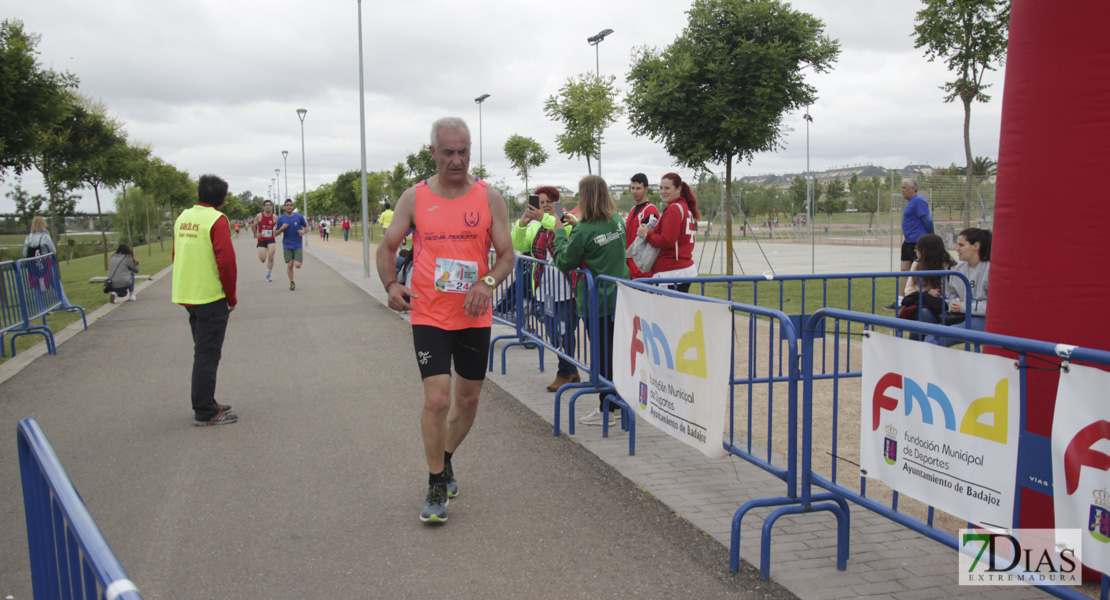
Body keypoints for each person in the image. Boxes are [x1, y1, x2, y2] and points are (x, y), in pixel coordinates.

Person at [374, 117, 514, 524]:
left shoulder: (490, 198)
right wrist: (390, 284)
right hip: (430, 313)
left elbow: (506, 255)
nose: (456, 160)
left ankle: (447, 458)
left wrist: (487, 283)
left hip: (473, 316)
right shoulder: (414, 197)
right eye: (448, 152)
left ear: (471, 151)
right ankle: (436, 483)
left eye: (463, 151)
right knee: (437, 398)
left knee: (468, 400)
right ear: (433, 152)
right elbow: (387, 247)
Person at [552, 175, 630, 426]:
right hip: (620, 297)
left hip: (597, 302)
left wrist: (560, 234)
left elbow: (565, 261)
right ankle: (616, 403)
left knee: (602, 356)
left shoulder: (584, 230)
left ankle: (608, 408)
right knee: (615, 354)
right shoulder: (617, 220)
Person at [172, 174, 238, 426]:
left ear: (199, 194)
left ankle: (208, 401)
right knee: (207, 355)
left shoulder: (183, 217)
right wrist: (230, 296)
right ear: (222, 199)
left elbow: (176, 254)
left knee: (203, 352)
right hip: (210, 296)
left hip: (189, 295)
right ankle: (204, 410)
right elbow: (226, 263)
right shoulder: (217, 220)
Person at [521, 186, 579, 392]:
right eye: (540, 202)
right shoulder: (538, 227)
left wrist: (542, 218)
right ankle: (572, 369)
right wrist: (521, 225)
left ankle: (564, 372)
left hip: (566, 289)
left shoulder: (567, 221)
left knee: (564, 332)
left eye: (548, 202)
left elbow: (562, 231)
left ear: (556, 203)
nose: (544, 206)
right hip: (544, 289)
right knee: (555, 333)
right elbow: (520, 244)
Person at [636, 172, 700, 293]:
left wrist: (646, 234)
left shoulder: (674, 209)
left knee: (667, 310)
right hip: (683, 269)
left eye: (667, 188)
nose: (663, 191)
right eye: (661, 188)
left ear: (678, 189)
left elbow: (667, 241)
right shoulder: (684, 207)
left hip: (672, 272)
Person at [925, 228, 990, 331]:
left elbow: (994, 307)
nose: (957, 248)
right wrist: (954, 304)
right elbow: (952, 295)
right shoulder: (958, 269)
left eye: (962, 245)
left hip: (982, 319)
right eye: (957, 244)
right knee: (933, 333)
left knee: (942, 336)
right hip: (960, 316)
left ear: (976, 246)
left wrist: (963, 307)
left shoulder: (990, 270)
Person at [885, 178, 934, 309]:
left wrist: (931, 236)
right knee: (904, 270)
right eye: (902, 188)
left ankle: (918, 298)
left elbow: (927, 220)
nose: (902, 191)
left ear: (913, 188)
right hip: (908, 242)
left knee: (917, 271)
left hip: (917, 242)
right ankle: (900, 301)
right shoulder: (911, 202)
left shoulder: (919, 201)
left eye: (905, 188)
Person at [896, 233, 954, 337]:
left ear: (926, 250)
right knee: (923, 314)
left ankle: (917, 348)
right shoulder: (917, 264)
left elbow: (951, 293)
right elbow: (908, 291)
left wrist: (937, 294)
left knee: (923, 316)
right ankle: (919, 347)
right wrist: (927, 293)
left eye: (917, 248)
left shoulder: (949, 266)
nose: (915, 250)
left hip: (942, 307)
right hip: (921, 305)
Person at [624, 173, 660, 280]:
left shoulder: (650, 211)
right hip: (629, 267)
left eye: (638, 188)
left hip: (641, 269)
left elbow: (651, 241)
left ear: (646, 189)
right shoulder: (632, 210)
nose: (634, 191)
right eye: (633, 188)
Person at [274, 199, 307, 291]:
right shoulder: (281, 219)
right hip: (287, 244)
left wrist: (303, 232)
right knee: (289, 265)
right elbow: (275, 233)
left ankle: (296, 264)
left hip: (297, 244)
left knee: (297, 265)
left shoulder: (299, 217)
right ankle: (292, 282)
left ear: (293, 207)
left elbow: (306, 227)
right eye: (287, 205)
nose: (289, 207)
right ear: (284, 207)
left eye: (290, 205)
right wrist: (281, 228)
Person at [252, 200, 278, 282]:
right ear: (264, 207)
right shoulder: (259, 216)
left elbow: (278, 226)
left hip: (270, 238)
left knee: (271, 256)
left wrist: (276, 232)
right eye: (266, 205)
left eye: (270, 205)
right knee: (262, 259)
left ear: (272, 207)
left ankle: (268, 274)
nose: (268, 206)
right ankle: (264, 260)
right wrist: (256, 234)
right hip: (262, 239)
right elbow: (253, 225)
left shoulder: (275, 217)